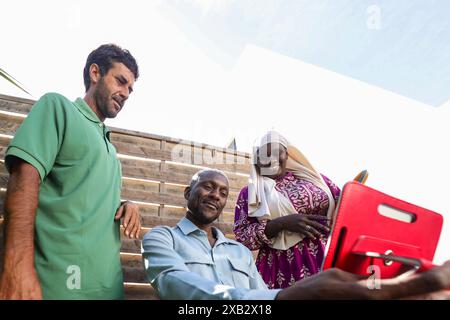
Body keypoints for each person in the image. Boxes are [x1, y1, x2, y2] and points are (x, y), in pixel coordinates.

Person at [142, 169, 450, 300]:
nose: (215, 196)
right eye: (208, 186)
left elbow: (261, 295)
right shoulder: (161, 238)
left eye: (223, 192)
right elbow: (178, 287)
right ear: (188, 192)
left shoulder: (237, 252)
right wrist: (285, 296)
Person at [0, 44, 142, 300]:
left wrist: (126, 204)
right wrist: (17, 268)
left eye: (130, 89)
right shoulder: (58, 108)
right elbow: (23, 181)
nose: (126, 93)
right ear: (95, 73)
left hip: (108, 290)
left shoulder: (111, 151)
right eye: (121, 81)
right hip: (57, 288)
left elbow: (83, 196)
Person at [234, 131, 340, 289]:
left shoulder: (314, 178)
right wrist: (281, 223)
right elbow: (243, 237)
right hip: (281, 267)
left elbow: (342, 203)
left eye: (278, 152)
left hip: (326, 257)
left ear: (287, 154)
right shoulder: (250, 192)